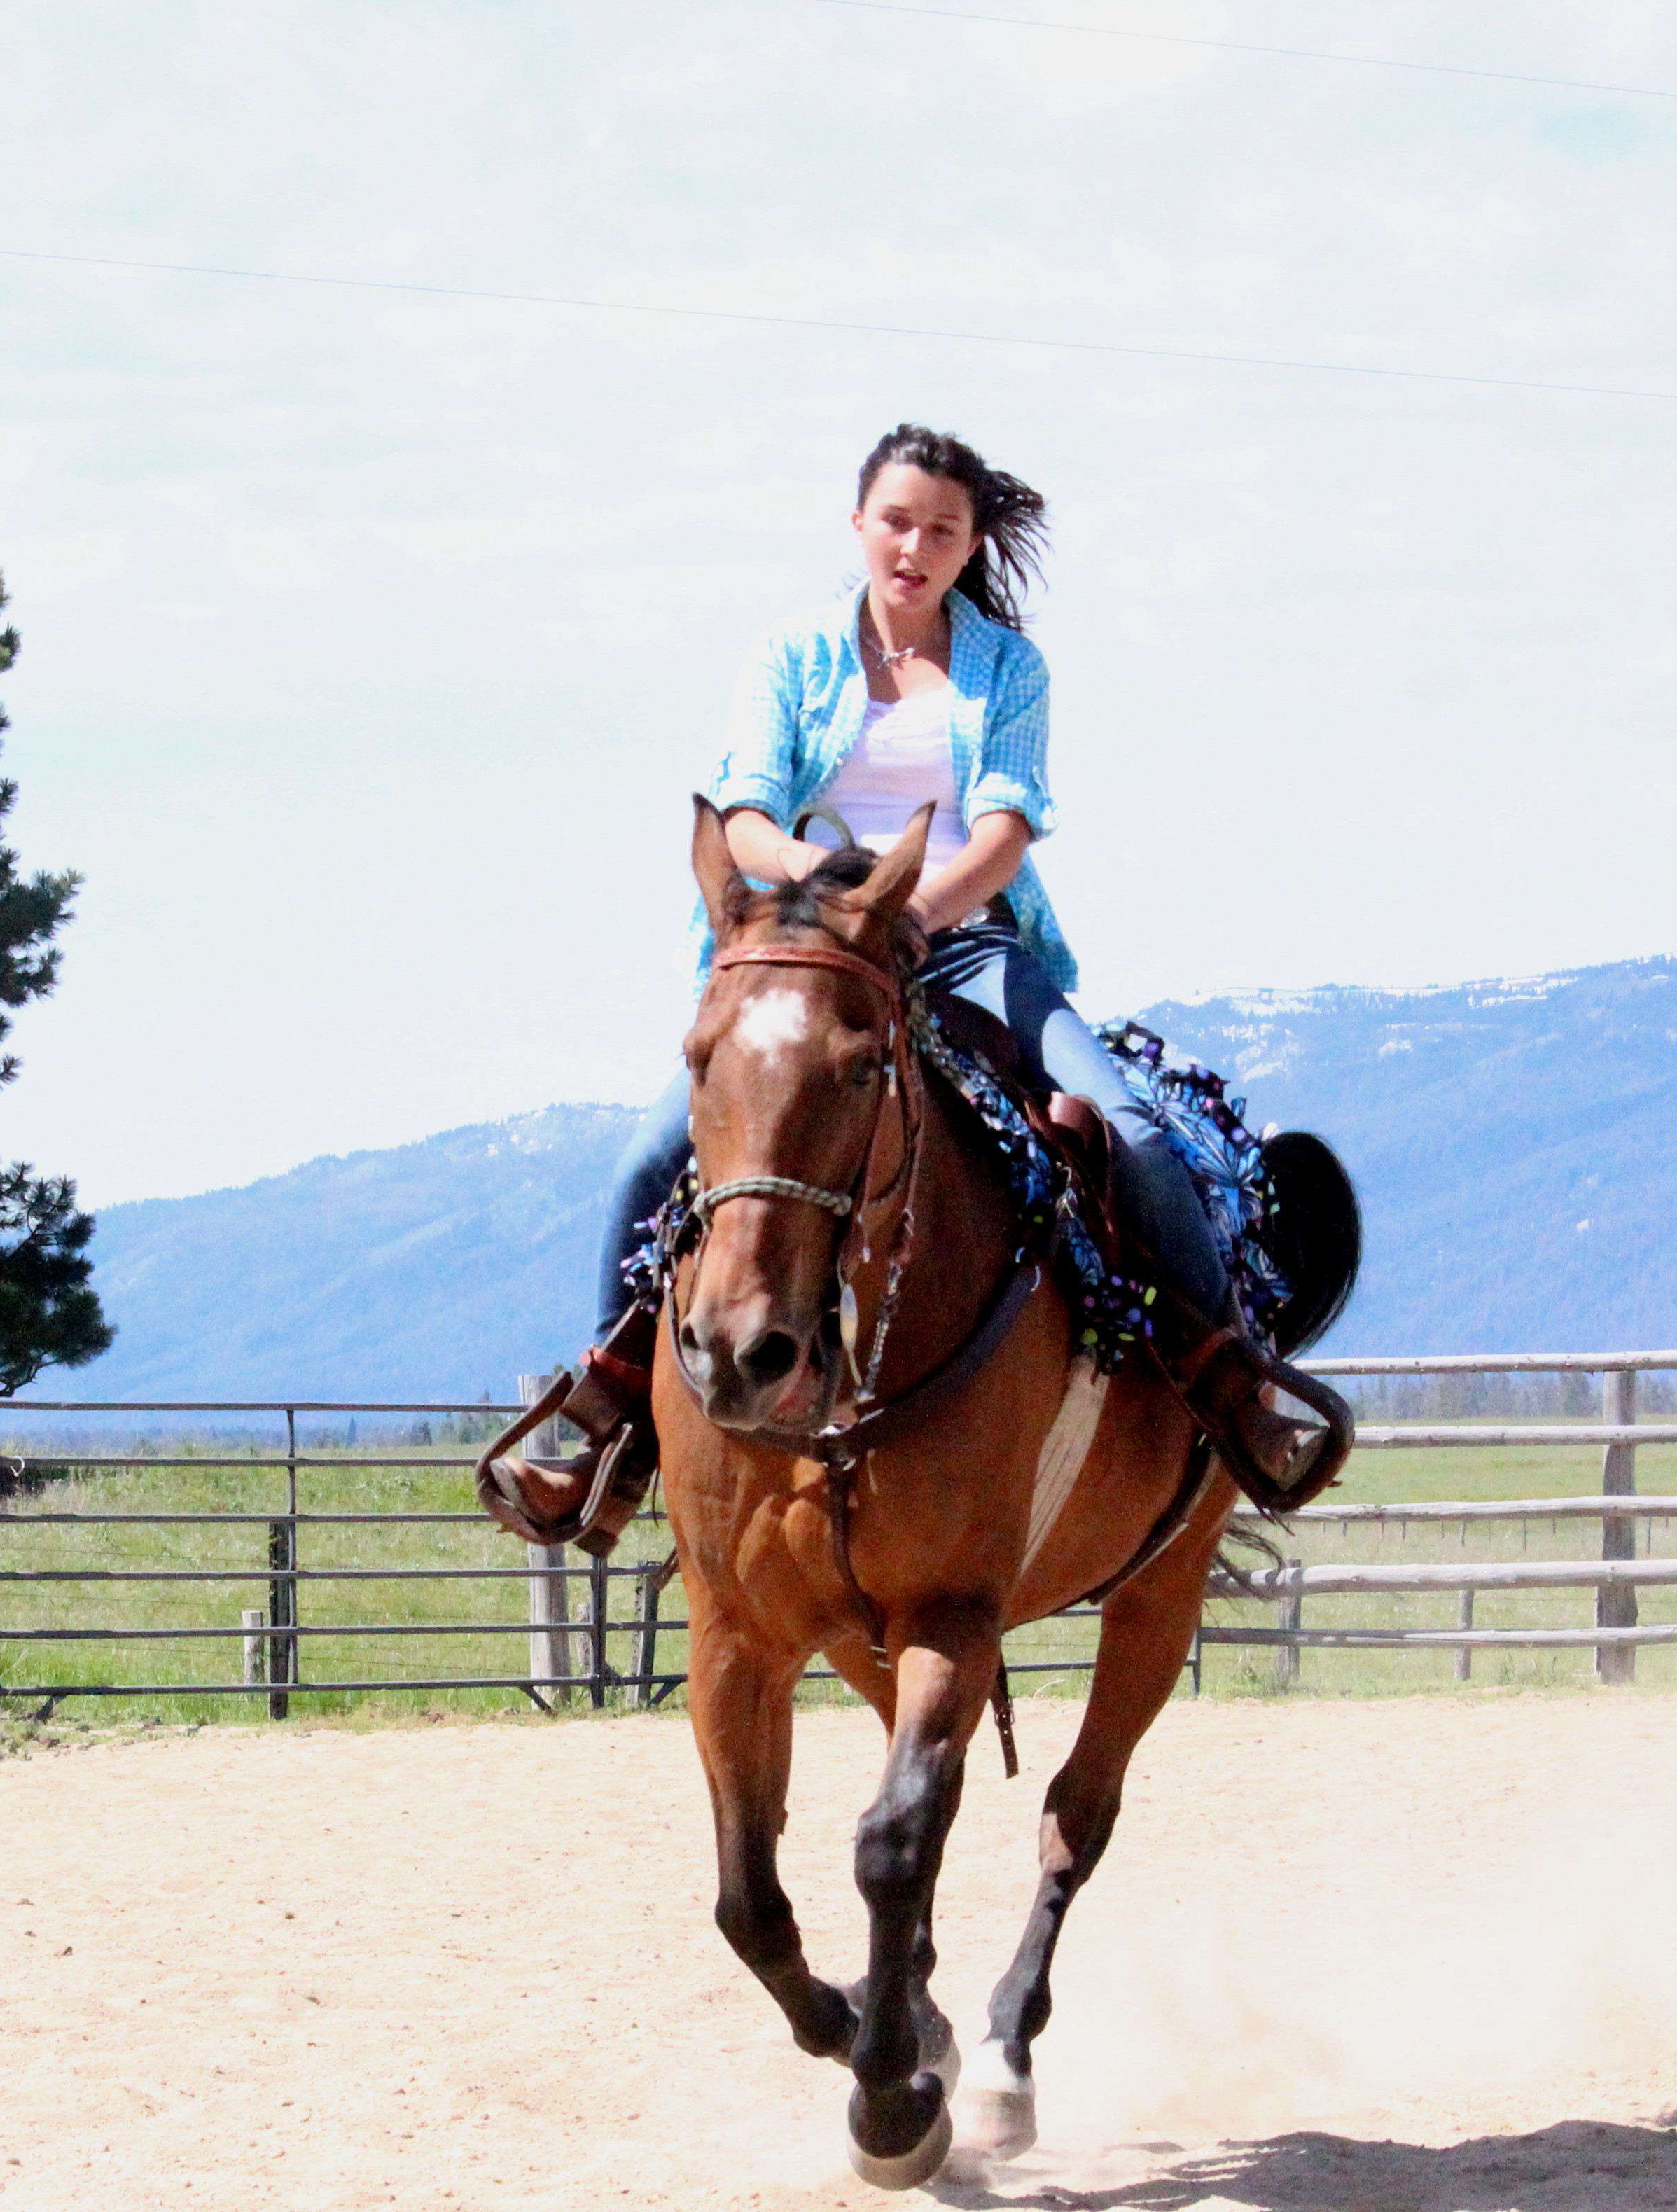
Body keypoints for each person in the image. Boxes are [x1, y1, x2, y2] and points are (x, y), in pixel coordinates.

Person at [478, 424, 1345, 1555]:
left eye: (942, 530)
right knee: (654, 1151)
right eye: (896, 522)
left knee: (1128, 1128)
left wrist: (912, 913)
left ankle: (1229, 1388)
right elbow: (744, 819)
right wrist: (837, 896)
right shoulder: (789, 656)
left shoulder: (1009, 668)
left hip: (965, 946)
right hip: (812, 953)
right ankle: (610, 1427)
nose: (915, 548)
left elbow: (1004, 832)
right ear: (858, 525)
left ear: (970, 544)